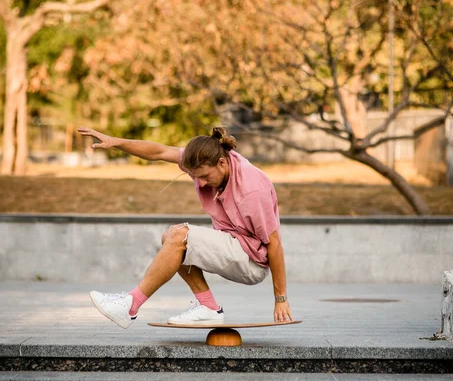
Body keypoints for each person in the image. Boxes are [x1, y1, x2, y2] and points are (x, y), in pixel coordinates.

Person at [77, 126, 293, 328]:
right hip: (235, 244)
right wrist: (116, 142)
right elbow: (158, 151)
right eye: (197, 178)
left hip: (251, 262)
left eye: (205, 177)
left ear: (221, 163)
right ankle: (208, 307)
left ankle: (130, 305)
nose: (202, 184)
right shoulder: (205, 158)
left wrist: (280, 299)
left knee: (181, 237)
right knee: (171, 237)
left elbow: (274, 245)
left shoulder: (251, 189)